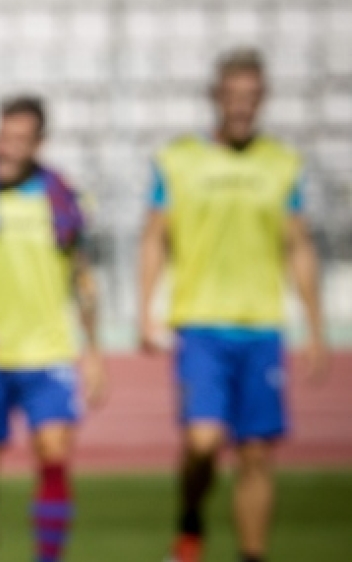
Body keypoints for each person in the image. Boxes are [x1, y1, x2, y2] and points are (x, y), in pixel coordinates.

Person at [138, 49, 328, 562]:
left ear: (263, 99)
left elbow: (298, 245)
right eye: (233, 95)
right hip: (200, 323)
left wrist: (314, 328)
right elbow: (154, 236)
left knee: (257, 453)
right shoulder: (179, 160)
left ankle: (252, 554)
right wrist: (146, 309)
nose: (242, 106)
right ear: (216, 97)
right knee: (202, 442)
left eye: (251, 96)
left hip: (262, 325)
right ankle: (190, 518)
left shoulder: (281, 164)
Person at [0, 96, 106, 562]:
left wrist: (93, 352)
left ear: (38, 144)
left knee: (54, 452)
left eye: (18, 139)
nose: (5, 148)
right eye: (2, 136)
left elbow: (84, 281)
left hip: (47, 353)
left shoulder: (65, 200)